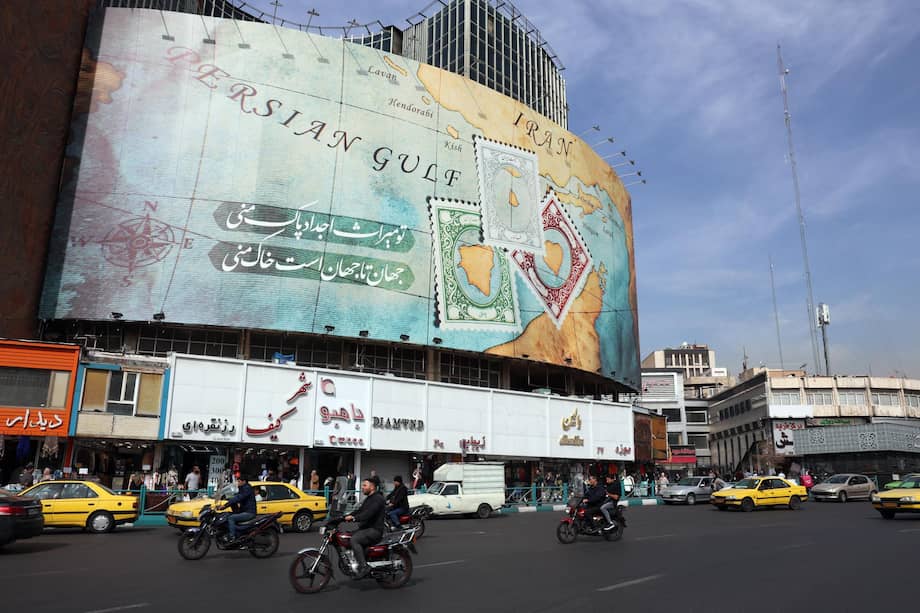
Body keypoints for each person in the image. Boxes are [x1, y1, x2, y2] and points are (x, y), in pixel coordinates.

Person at [344, 475, 386, 579]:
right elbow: (360, 510)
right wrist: (345, 516)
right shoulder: (369, 499)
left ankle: (364, 567)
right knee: (347, 536)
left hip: (375, 530)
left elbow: (369, 513)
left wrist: (354, 518)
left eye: (364, 485)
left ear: (372, 487)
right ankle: (360, 559)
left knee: (354, 539)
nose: (362, 487)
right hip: (367, 528)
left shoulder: (378, 499)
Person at [220, 474, 257, 544]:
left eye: (239, 481)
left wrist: (225, 506)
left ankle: (232, 537)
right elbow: (235, 496)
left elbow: (238, 498)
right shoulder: (243, 488)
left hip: (249, 512)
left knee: (231, 518)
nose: (238, 483)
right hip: (244, 510)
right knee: (227, 515)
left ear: (244, 481)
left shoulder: (247, 489)